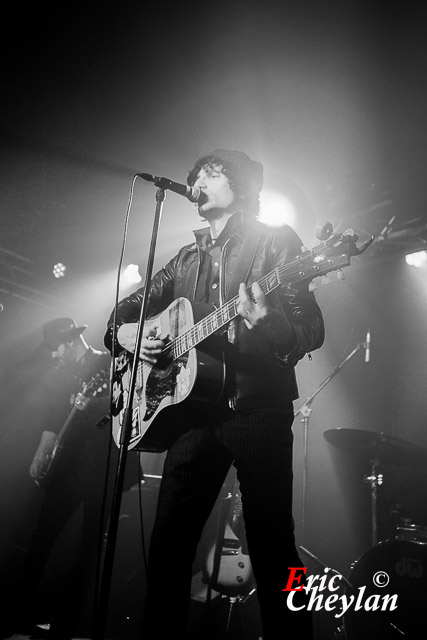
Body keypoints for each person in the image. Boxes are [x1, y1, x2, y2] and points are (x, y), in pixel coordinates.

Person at [104, 149, 325, 639]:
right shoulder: (186, 258)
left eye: (211, 174)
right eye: (195, 176)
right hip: (194, 416)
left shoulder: (276, 243)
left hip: (257, 411)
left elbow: (310, 330)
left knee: (272, 547)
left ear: (241, 187)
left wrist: (270, 322)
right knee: (167, 549)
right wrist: (126, 336)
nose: (198, 182)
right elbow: (122, 314)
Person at [3, 318, 121, 640]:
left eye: (56, 348)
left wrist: (95, 407)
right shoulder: (61, 375)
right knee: (40, 541)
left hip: (100, 469)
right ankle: (16, 619)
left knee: (89, 551)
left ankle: (66, 626)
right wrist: (41, 452)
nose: (54, 356)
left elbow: (117, 412)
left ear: (69, 342)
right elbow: (53, 418)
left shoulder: (107, 363)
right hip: (66, 471)